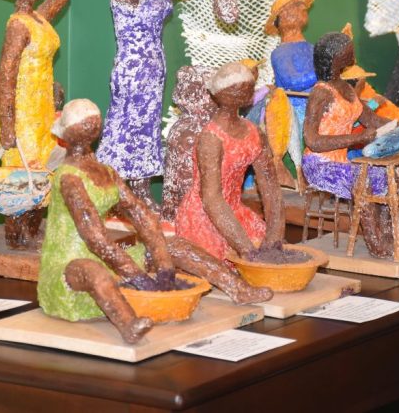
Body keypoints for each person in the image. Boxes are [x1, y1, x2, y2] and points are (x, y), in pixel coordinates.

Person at [38, 100, 271, 344]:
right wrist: (137, 276)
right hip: (70, 265)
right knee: (93, 272)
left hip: (107, 259)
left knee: (177, 245)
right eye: (84, 123)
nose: (90, 126)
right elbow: (94, 237)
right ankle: (128, 324)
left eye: (93, 122)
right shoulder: (68, 178)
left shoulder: (107, 172)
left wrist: (162, 259)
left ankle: (238, 288)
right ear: (67, 133)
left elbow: (139, 213)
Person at [96, 0, 236, 209]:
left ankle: (141, 190)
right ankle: (117, 194)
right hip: (132, 74)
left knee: (145, 129)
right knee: (127, 128)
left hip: (152, 73)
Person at [175, 62, 286, 261]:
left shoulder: (254, 132)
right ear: (220, 94)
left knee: (271, 251)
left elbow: (270, 184)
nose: (245, 90)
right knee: (229, 261)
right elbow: (212, 200)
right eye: (238, 87)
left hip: (234, 211)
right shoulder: (211, 139)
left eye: (248, 86)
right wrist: (245, 249)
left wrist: (275, 234)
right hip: (203, 217)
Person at [303, 33, 397, 257]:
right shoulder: (320, 93)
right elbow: (312, 141)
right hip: (319, 164)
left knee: (386, 177)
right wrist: (356, 139)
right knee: (363, 183)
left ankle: (388, 234)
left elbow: (372, 120)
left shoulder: (346, 88)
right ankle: (375, 241)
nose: (353, 53)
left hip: (342, 162)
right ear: (336, 57)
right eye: (348, 50)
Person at [0, 0, 70, 171]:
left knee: (47, 166)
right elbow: (5, 75)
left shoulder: (38, 17)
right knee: (27, 170)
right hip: (24, 112)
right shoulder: (18, 26)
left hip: (43, 106)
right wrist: (7, 125)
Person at [161, 66, 217, 221]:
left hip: (201, 212)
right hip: (188, 214)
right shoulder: (187, 129)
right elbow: (173, 182)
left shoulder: (207, 129)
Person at [266, 0, 317, 124]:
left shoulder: (312, 48)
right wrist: (324, 71)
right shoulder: (280, 53)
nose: (302, 7)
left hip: (317, 108)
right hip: (297, 115)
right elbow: (293, 82)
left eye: (301, 5)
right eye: (295, 6)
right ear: (281, 19)